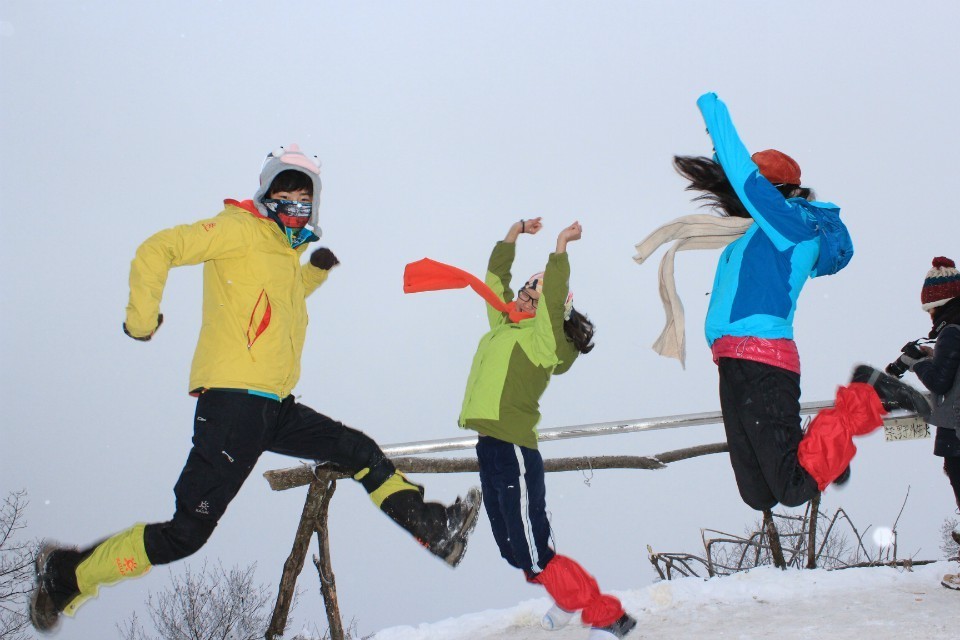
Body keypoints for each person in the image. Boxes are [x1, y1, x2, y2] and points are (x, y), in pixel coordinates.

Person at [29, 144, 482, 632]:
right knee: (186, 534)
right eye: (285, 195)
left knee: (358, 450)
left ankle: (434, 530)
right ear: (267, 193)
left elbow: (274, 300)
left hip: (273, 408)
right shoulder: (238, 228)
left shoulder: (284, 255)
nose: (294, 207)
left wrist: (313, 272)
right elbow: (157, 248)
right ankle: (69, 576)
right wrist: (141, 321)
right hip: (232, 403)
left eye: (304, 203)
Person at [664, 92, 931, 512]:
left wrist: (713, 117)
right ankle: (824, 448)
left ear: (777, 192)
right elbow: (744, 184)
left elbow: (743, 176)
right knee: (758, 495)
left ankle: (870, 395)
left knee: (792, 488)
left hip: (764, 363)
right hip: (732, 363)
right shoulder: (756, 232)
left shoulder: (793, 224)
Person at [404, 218, 636, 640]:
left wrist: (560, 248)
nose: (527, 297)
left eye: (537, 294)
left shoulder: (543, 342)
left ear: (552, 308)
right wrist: (511, 237)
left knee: (533, 548)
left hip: (514, 448)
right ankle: (568, 601)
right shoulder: (504, 327)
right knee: (511, 547)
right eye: (527, 290)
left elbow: (549, 311)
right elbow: (495, 282)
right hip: (490, 446)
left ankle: (603, 615)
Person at [888, 256, 960, 589]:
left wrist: (917, 363)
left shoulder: (952, 332)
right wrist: (928, 356)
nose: (929, 317)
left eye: (929, 310)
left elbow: (941, 382)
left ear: (938, 305)